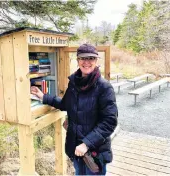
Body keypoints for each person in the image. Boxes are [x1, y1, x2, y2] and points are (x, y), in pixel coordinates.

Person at [31, 43, 118, 175]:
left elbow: (110, 122)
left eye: (91, 58)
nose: (86, 62)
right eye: (83, 58)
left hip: (94, 152)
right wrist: (43, 97)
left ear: (96, 61)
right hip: (76, 148)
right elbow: (66, 104)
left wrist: (86, 144)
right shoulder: (74, 83)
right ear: (77, 61)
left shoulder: (104, 87)